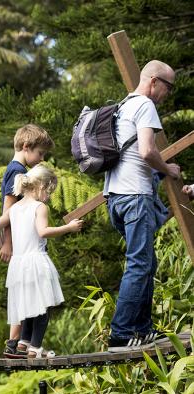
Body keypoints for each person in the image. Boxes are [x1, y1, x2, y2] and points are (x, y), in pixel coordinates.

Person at [104, 60, 181, 352]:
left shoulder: (123, 105)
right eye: (168, 87)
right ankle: (122, 333)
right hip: (135, 196)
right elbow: (147, 151)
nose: (167, 94)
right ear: (154, 81)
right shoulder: (145, 105)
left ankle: (142, 328)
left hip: (115, 197)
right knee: (139, 263)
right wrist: (168, 169)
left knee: (145, 262)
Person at [0, 164, 83, 358]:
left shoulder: (14, 208)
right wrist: (69, 228)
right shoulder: (40, 207)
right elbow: (43, 232)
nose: (49, 196)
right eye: (49, 192)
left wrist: (3, 249)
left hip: (18, 264)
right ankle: (36, 348)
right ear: (40, 186)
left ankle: (23, 343)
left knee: (28, 304)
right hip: (36, 261)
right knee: (43, 305)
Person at [0, 124, 54, 357]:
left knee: (25, 294)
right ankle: (15, 343)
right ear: (26, 147)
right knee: (27, 296)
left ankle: (19, 344)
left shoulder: (16, 168)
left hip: (21, 245)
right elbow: (9, 210)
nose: (40, 160)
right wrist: (7, 243)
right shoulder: (16, 170)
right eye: (39, 154)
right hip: (21, 247)